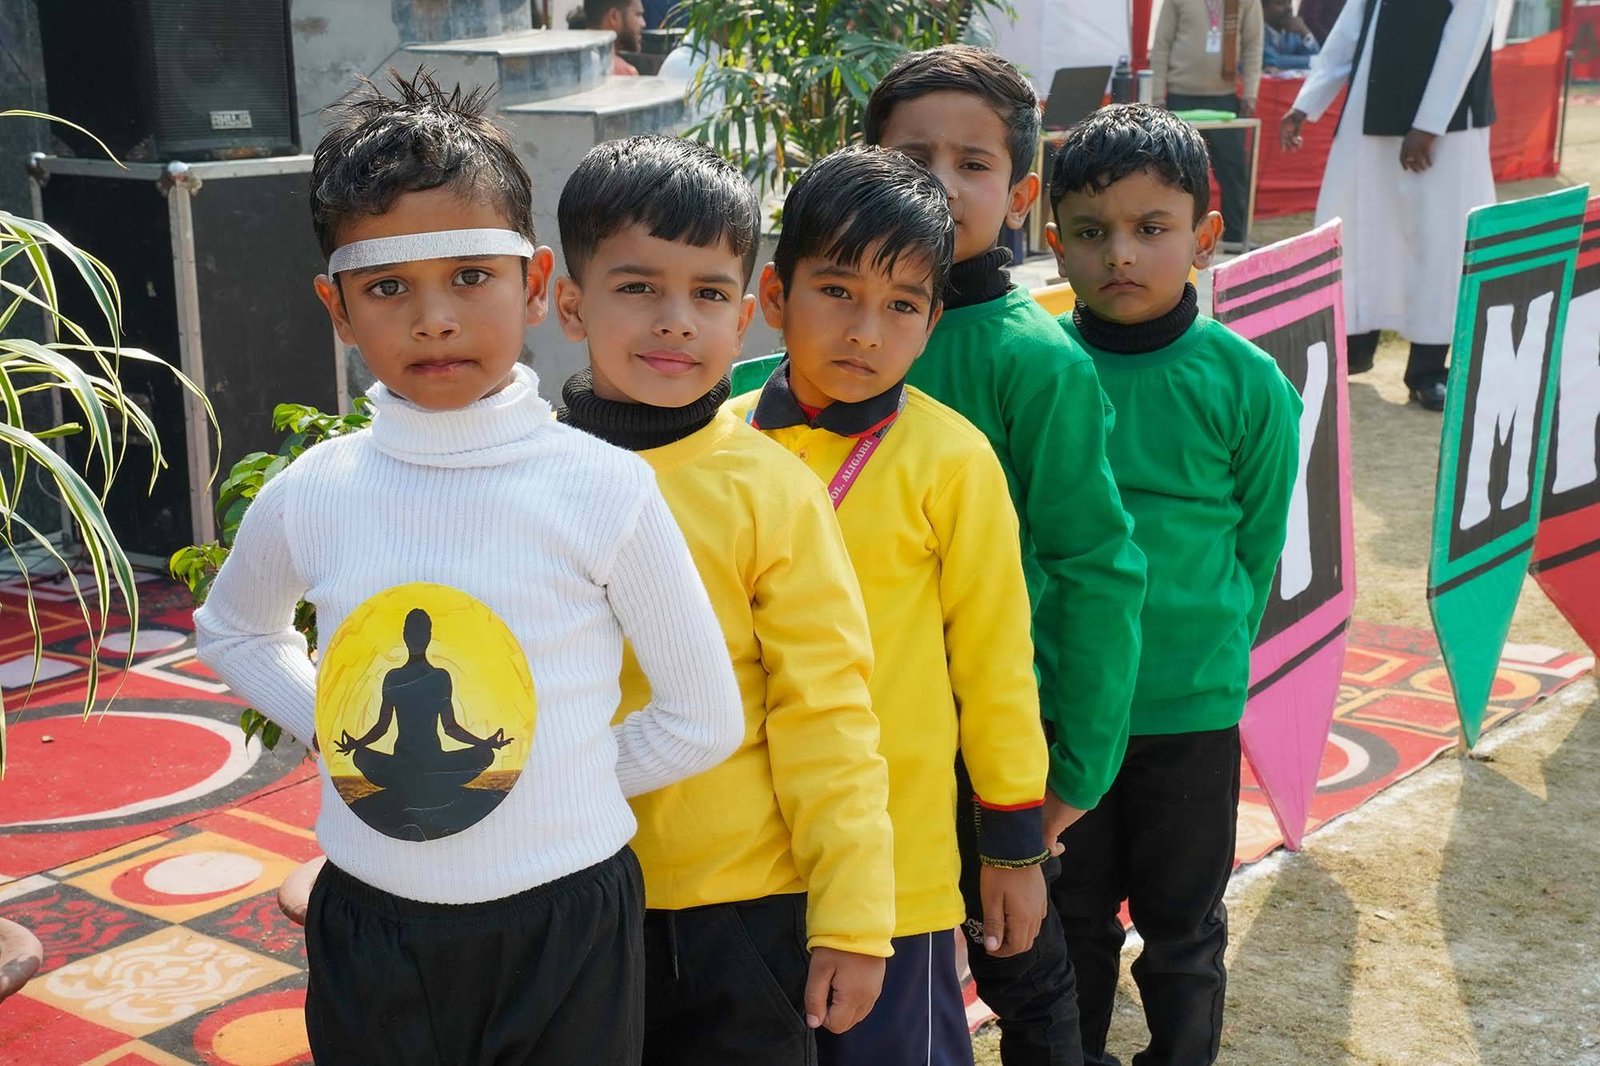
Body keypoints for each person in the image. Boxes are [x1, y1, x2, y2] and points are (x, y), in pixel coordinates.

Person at [193, 71, 743, 1064]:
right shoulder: (315, 490)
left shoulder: (602, 487)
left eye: (471, 276)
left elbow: (703, 716)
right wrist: (330, 726)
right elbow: (234, 628)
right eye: (387, 287)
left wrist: (543, 774)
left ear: (533, 284)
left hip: (564, 923)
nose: (434, 317)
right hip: (373, 923)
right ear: (335, 306)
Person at [553, 134, 896, 1064]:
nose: (676, 321)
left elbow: (828, 710)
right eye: (638, 287)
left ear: (744, 318)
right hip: (555, 892)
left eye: (708, 295)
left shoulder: (772, 491)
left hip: (739, 910)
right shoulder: (520, 477)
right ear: (570, 303)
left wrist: (854, 915)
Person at [733, 145, 1052, 1066]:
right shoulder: (718, 442)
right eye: (836, 291)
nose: (865, 332)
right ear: (775, 293)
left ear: (932, 322)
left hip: (895, 865)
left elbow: (996, 670)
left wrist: (1013, 850)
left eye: (902, 305)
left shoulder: (953, 463)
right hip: (737, 859)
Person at [864, 44, 1147, 1066]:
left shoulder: (1035, 360)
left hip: (982, 743)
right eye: (911, 159)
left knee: (1020, 966)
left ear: (1022, 193)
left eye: (972, 163)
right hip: (854, 728)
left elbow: (1097, 567)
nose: (940, 185)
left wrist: (1074, 772)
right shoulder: (834, 332)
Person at [1044, 104, 1301, 1066]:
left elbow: (1257, 546)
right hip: (1060, 708)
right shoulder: (1038, 369)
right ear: (1054, 241)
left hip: (1189, 710)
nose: (1120, 253)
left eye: (1151, 228)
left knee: (1183, 927)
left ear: (1204, 234)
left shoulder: (1247, 382)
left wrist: (1207, 655)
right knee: (1069, 922)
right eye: (1091, 231)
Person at [1279, 0, 1496, 411]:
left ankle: (1428, 369)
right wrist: (1306, 102)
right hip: (1368, 113)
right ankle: (1355, 346)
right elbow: (1350, 28)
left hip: (1445, 130)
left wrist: (1428, 125)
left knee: (1438, 244)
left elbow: (1465, 38)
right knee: (1361, 234)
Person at [1150, 0, 1264, 250]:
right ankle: (1172, 241)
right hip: (1180, 97)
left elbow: (1253, 45)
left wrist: (1250, 94)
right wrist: (1157, 96)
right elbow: (1161, 45)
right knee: (1176, 175)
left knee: (1234, 172)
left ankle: (1236, 241)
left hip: (1225, 98)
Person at [584, 0, 645, 75]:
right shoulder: (623, 73)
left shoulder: (576, 62)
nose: (643, 24)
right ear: (614, 17)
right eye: (638, 14)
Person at [1262, 0, 1321, 70]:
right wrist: (1311, 61)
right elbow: (1272, 60)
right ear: (1263, 9)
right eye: (1280, 3)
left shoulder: (1292, 30)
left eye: (1289, 2)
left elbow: (1317, 56)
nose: (1289, 8)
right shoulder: (1258, 32)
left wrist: (1305, 33)